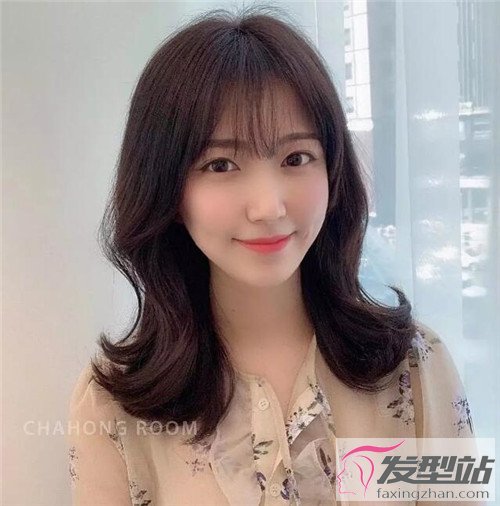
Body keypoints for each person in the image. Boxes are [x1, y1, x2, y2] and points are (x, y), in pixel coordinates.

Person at [66, 6, 476, 505]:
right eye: (221, 164)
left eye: (296, 158)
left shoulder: (411, 366)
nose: (269, 207)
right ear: (166, 188)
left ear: (332, 172)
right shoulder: (114, 406)